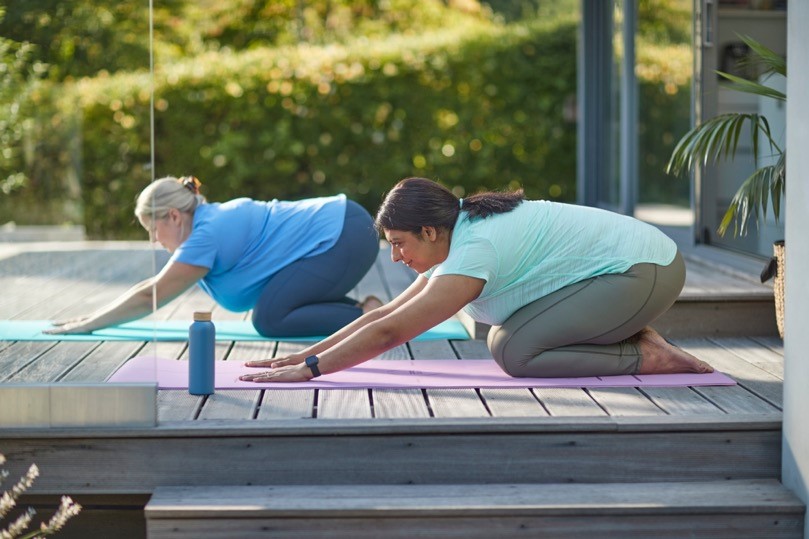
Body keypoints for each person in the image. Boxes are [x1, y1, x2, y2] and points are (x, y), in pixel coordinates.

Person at [240, 176, 713, 383]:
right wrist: (307, 353)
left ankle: (645, 354)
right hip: (619, 274)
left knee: (514, 351)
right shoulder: (456, 233)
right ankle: (632, 333)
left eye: (400, 242)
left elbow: (391, 332)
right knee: (508, 339)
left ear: (429, 230)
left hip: (643, 270)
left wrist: (313, 371)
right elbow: (386, 312)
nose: (396, 256)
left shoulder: (472, 249)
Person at [46, 176, 382, 337]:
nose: (153, 241)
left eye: (153, 230)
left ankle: (372, 315)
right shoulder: (206, 226)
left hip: (344, 235)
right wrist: (90, 317)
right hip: (343, 231)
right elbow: (154, 284)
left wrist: (89, 325)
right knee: (273, 311)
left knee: (270, 319)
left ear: (174, 217)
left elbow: (152, 295)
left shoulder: (205, 236)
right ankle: (361, 308)